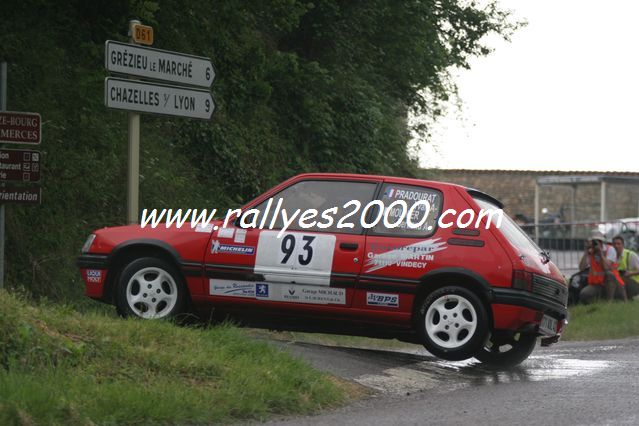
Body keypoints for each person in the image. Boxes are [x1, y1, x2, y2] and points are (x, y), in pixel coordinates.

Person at [578, 230, 627, 304]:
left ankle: (609, 302)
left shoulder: (610, 249)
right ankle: (600, 299)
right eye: (594, 241)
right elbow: (581, 268)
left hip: (613, 283)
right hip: (598, 284)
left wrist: (600, 254)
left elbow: (606, 267)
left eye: (598, 241)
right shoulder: (590, 252)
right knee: (584, 294)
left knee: (609, 274)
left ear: (602, 241)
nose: (596, 243)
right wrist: (586, 252)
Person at [612, 234, 639, 299]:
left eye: (618, 244)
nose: (616, 246)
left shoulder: (630, 255)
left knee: (618, 280)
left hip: (635, 283)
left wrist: (630, 273)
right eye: (614, 244)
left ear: (623, 245)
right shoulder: (612, 257)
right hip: (621, 282)